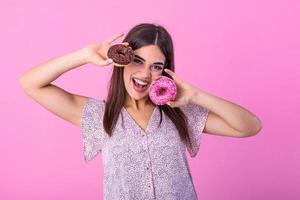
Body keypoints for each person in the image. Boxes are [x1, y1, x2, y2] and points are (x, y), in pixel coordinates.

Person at [19, 23, 262, 199]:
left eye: (156, 66)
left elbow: (250, 126)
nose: (145, 74)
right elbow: (30, 83)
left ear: (165, 72)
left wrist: (197, 96)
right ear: (122, 60)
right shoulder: (98, 115)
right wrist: (84, 55)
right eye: (137, 60)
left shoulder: (179, 112)